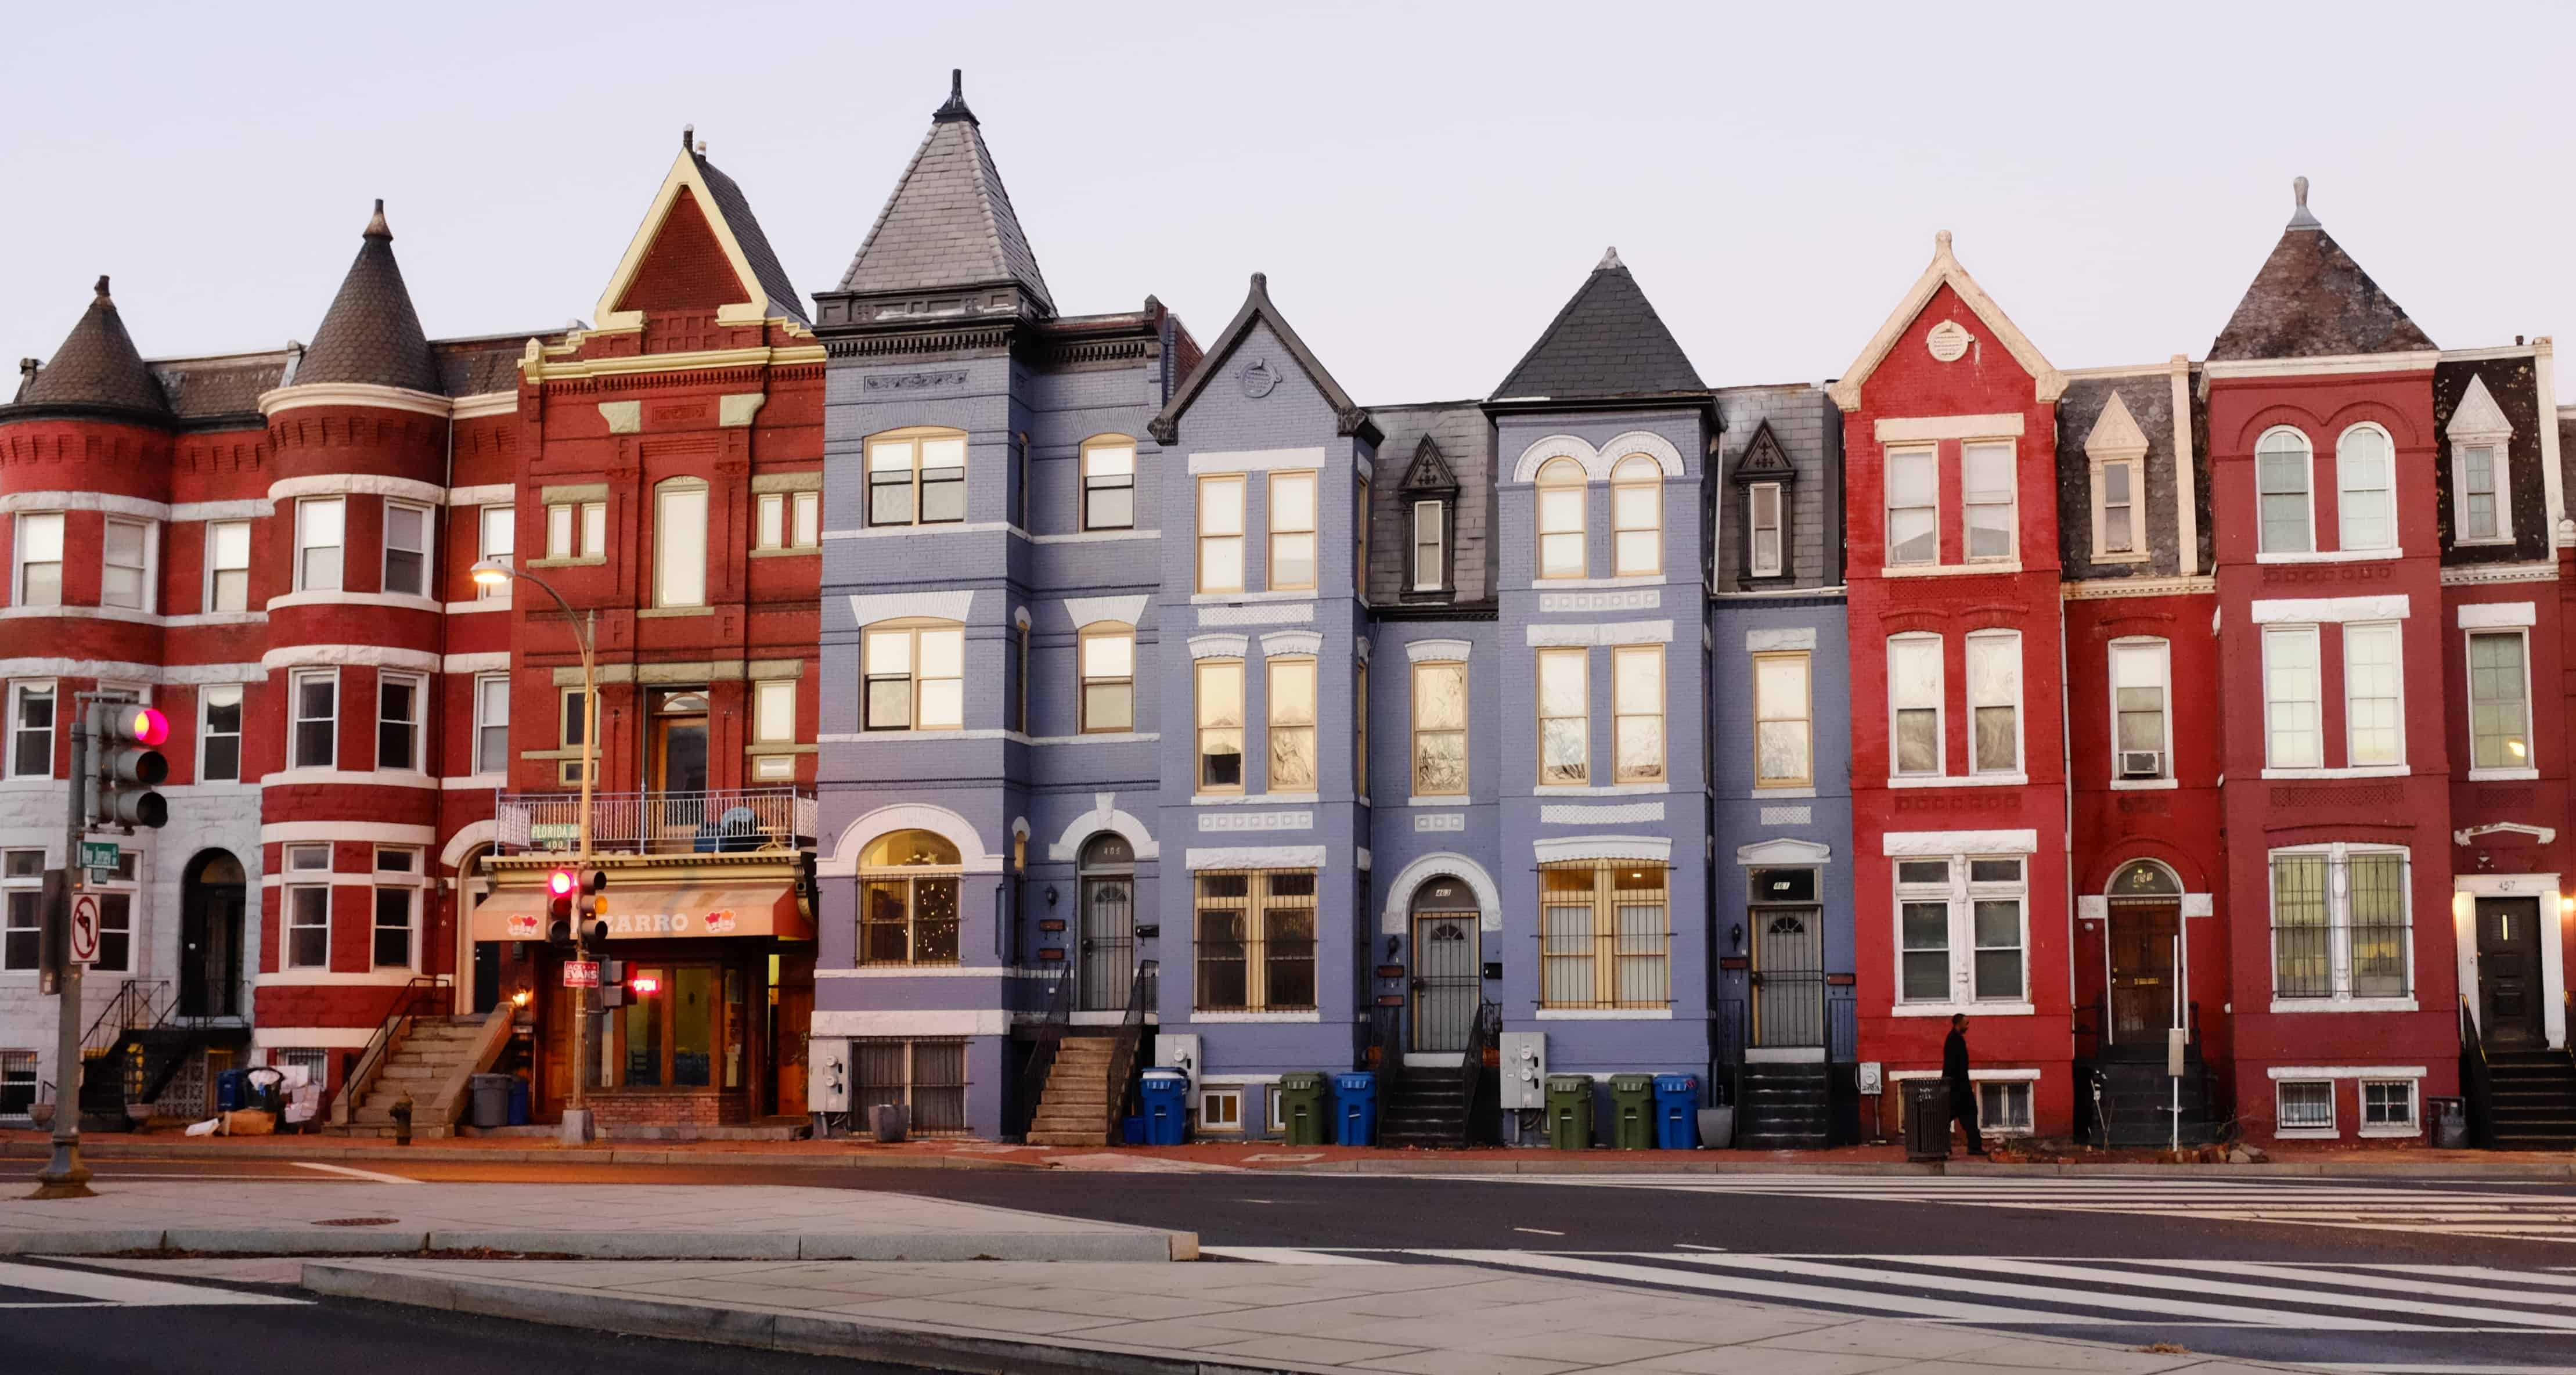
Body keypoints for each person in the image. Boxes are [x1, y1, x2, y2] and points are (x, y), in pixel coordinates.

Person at [1943, 1013, 1986, 1156]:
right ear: (1958, 1024)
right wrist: (1960, 1085)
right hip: (1959, 1086)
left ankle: (1945, 1146)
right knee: (1969, 1114)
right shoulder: (1955, 1040)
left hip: (1955, 1086)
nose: (1967, 1027)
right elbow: (1955, 1065)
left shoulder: (1953, 1039)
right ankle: (1974, 1147)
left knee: (1948, 1117)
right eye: (1966, 1024)